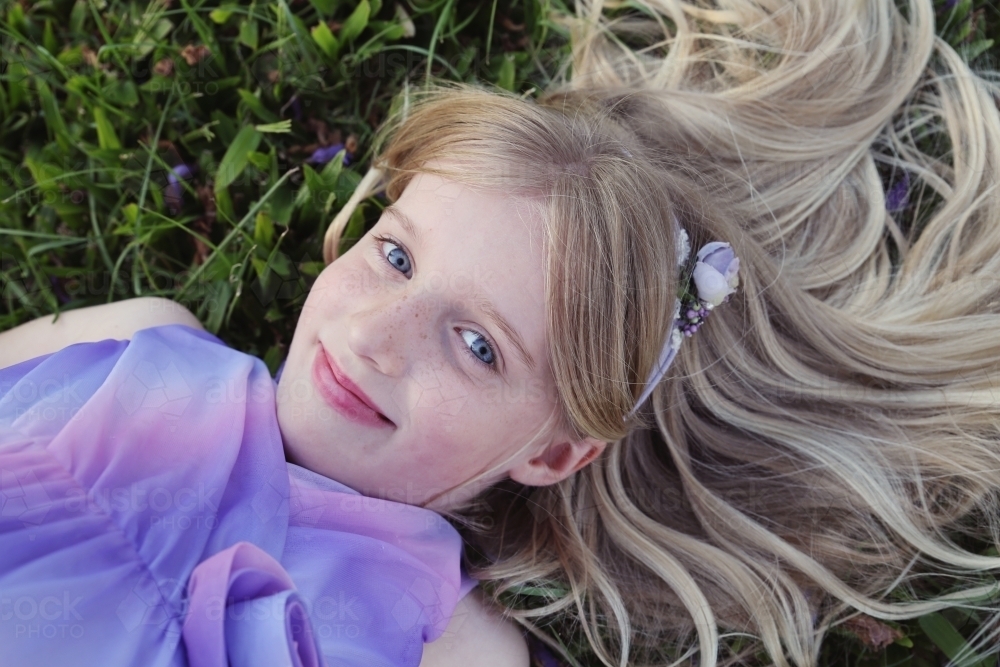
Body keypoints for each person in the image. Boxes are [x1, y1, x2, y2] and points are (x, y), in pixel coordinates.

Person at [2, 0, 1000, 666]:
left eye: (478, 345)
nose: (379, 336)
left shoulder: (450, 640)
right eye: (396, 257)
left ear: (556, 447)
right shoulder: (136, 341)